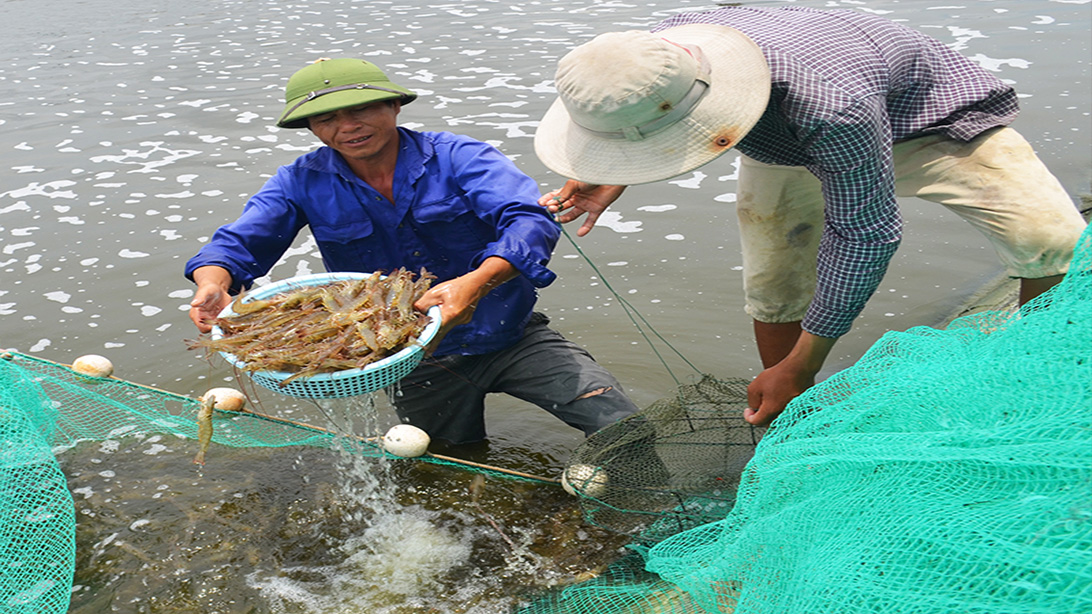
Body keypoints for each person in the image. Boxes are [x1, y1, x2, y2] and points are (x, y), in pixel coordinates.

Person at [533, 6, 1087, 428]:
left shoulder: (830, 104)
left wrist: (806, 354)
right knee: (774, 279)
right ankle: (787, 414)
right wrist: (615, 168)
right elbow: (653, 114)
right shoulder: (653, 54)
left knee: (1053, 239)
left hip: (926, 120)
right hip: (781, 136)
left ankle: (1030, 378)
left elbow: (867, 234)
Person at [185, 57, 639, 446]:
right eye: (326, 119)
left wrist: (474, 283)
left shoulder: (460, 156)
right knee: (444, 464)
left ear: (394, 105)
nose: (347, 126)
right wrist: (213, 281)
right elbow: (240, 241)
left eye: (361, 108)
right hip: (411, 357)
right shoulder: (298, 181)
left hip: (509, 335)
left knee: (621, 425)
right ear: (310, 127)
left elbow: (528, 220)